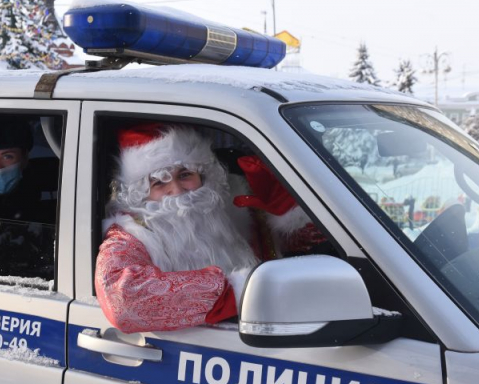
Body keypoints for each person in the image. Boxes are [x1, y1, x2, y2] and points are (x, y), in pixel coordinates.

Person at [95, 123, 326, 333]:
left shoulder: (231, 211)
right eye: (159, 182)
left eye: (185, 175)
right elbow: (123, 301)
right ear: (141, 191)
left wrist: (287, 212)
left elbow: (296, 248)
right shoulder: (130, 235)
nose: (177, 190)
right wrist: (242, 290)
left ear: (203, 175)